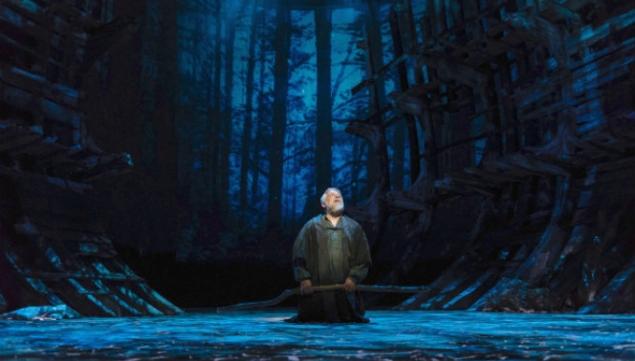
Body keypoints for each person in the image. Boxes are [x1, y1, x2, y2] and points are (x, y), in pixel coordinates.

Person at [287, 187, 371, 323]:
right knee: (317, 323)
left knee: (347, 323)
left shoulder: (354, 227)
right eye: (332, 195)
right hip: (317, 294)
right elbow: (299, 255)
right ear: (323, 204)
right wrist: (304, 279)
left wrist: (353, 278)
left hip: (345, 295)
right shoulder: (311, 227)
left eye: (339, 195)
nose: (338, 196)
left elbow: (363, 258)